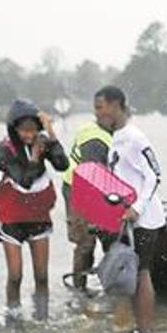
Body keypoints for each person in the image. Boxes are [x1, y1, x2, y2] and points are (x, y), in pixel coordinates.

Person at [0, 99, 69, 323]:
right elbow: (23, 181)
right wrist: (36, 158)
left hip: (38, 217)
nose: (29, 135)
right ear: (14, 129)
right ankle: (14, 317)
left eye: (33, 130)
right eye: (23, 131)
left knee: (42, 276)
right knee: (16, 275)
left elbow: (63, 164)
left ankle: (42, 318)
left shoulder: (43, 142)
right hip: (11, 221)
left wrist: (51, 133)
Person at [94, 86, 165, 333]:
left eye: (100, 108)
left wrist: (137, 207)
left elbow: (154, 175)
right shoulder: (116, 138)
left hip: (145, 219)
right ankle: (136, 326)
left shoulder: (135, 137)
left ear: (115, 105)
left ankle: (145, 330)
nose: (97, 114)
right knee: (130, 273)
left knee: (142, 271)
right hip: (125, 219)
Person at [61, 94, 114, 291]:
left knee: (112, 237)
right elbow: (92, 176)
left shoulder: (118, 132)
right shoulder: (94, 138)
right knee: (86, 241)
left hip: (101, 188)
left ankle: (111, 283)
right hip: (78, 188)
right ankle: (79, 288)